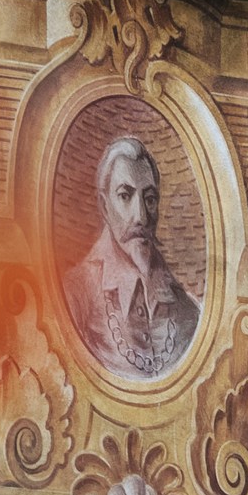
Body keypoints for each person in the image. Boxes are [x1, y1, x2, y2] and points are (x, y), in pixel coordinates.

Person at [63, 136, 199, 381]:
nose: (141, 218)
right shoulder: (74, 294)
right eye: (125, 196)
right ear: (104, 207)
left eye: (149, 200)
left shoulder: (187, 310)